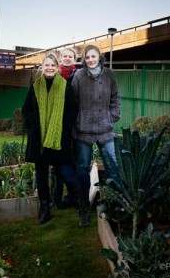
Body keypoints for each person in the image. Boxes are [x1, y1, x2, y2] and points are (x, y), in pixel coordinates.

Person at [22, 52, 83, 226]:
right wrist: (31, 123)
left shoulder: (64, 86)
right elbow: (26, 109)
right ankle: (45, 210)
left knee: (66, 173)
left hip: (58, 139)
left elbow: (72, 109)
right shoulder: (35, 86)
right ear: (42, 67)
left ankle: (81, 205)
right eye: (46, 65)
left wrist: (63, 128)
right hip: (39, 140)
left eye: (52, 65)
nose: (49, 68)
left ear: (57, 68)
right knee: (41, 176)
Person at [71, 44, 121, 226]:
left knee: (113, 165)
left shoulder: (109, 75)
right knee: (82, 168)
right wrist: (77, 121)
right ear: (84, 60)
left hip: (105, 130)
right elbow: (73, 102)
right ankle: (83, 207)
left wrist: (113, 115)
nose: (91, 60)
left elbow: (115, 97)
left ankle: (116, 204)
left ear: (100, 57)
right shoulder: (78, 76)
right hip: (83, 130)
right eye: (87, 57)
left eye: (93, 56)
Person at [51, 47, 78, 209]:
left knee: (72, 161)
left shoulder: (79, 76)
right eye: (65, 56)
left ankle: (72, 197)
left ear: (74, 59)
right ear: (60, 59)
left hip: (73, 126)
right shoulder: (54, 75)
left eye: (71, 56)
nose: (67, 59)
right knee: (56, 164)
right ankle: (57, 198)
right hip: (56, 127)